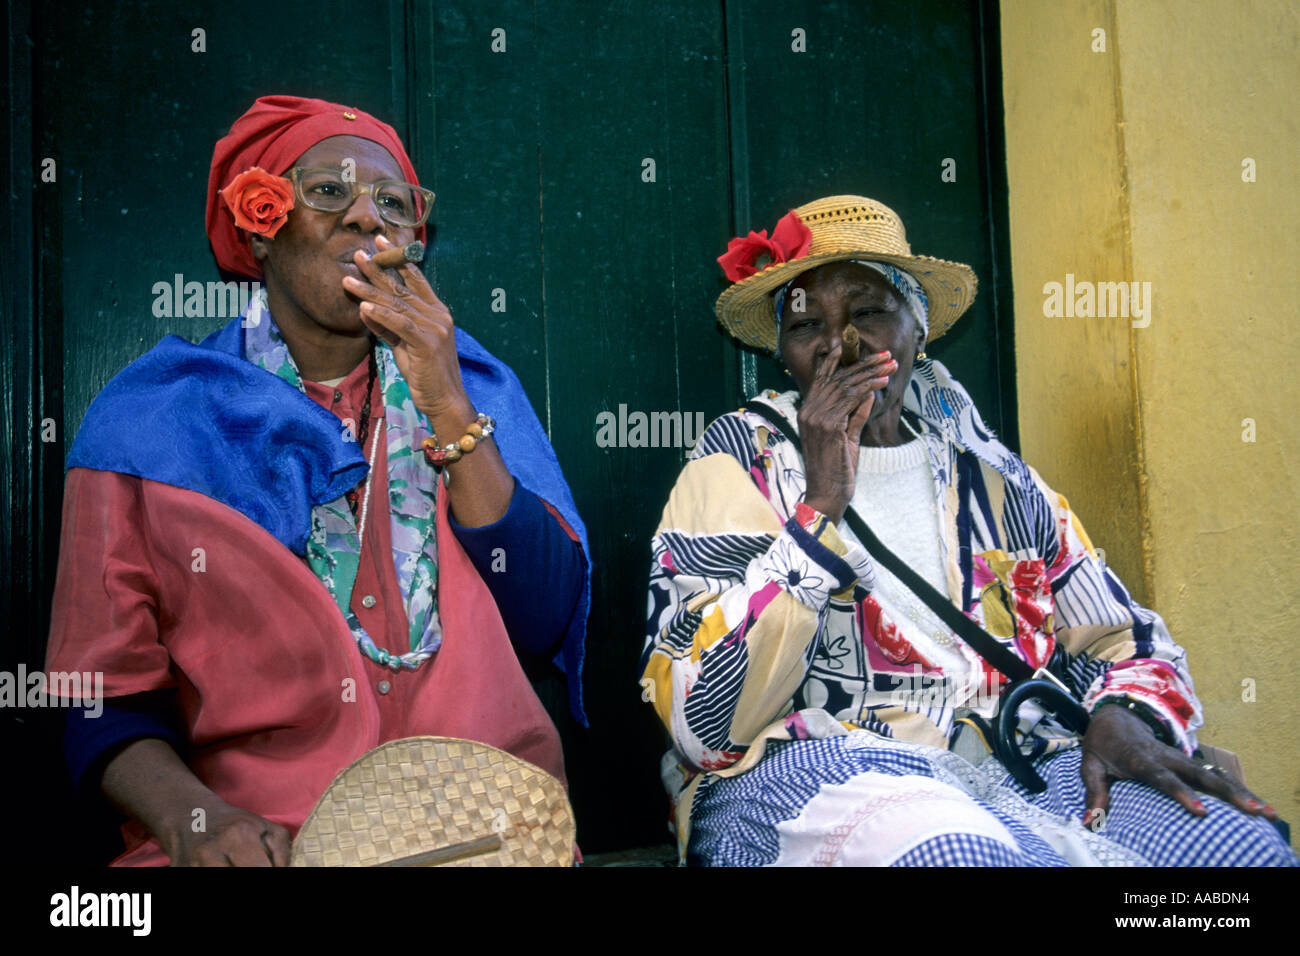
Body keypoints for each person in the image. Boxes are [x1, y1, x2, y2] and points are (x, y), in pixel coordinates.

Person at [641, 195, 1296, 866]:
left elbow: (1125, 636)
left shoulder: (992, 474)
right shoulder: (736, 465)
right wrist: (818, 510)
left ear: (918, 331)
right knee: (960, 856)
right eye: (810, 324)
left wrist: (1125, 714)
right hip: (824, 769)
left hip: (1025, 764)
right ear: (784, 352)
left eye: (868, 312)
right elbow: (707, 728)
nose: (842, 343)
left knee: (1239, 850)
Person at [45, 95, 591, 866]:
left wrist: (443, 398)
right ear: (261, 227)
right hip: (266, 843)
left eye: (392, 204)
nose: (368, 218)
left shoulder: (476, 391)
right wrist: (196, 820)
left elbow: (542, 620)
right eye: (329, 191)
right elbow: (100, 697)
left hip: (486, 831)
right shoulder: (151, 424)